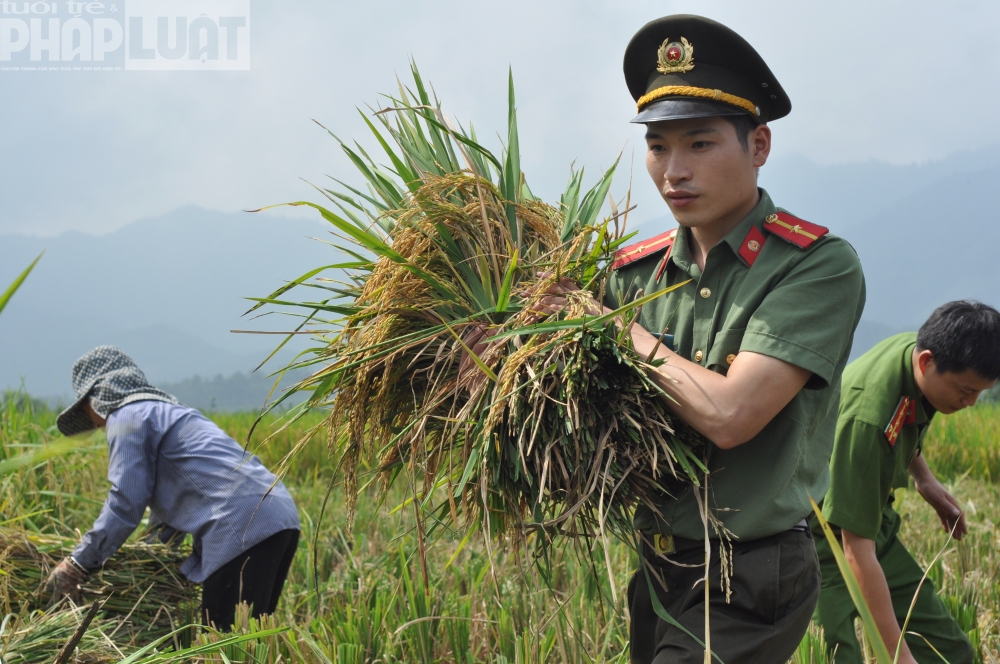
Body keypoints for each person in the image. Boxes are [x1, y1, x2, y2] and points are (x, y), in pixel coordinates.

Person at [541, 15, 866, 663]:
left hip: (749, 574)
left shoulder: (814, 265)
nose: (673, 170)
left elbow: (731, 414)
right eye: (658, 146)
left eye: (699, 143)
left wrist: (607, 324)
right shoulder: (633, 274)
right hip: (658, 565)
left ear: (760, 146)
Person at [45, 346, 301, 631]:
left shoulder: (126, 417)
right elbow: (168, 518)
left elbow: (126, 500)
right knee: (249, 643)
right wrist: (148, 563)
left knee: (224, 647)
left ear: (96, 398)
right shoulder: (169, 413)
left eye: (86, 410)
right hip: (278, 517)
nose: (94, 422)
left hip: (241, 527)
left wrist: (78, 562)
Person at [813, 301, 1000, 664]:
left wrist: (926, 481)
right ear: (926, 362)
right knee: (838, 656)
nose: (972, 403)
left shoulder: (914, 354)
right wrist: (898, 656)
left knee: (950, 653)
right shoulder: (867, 421)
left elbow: (903, 421)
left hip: (873, 527)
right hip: (826, 545)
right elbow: (854, 549)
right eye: (965, 391)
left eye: (980, 392)